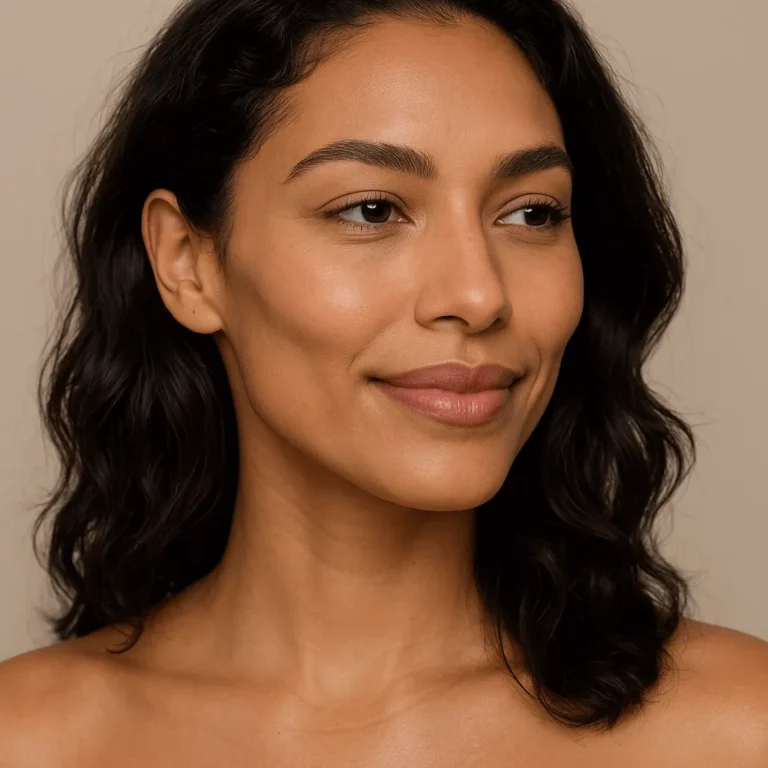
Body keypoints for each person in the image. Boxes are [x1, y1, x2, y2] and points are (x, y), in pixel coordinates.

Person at [1, 0, 766, 764]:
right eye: (372, 209)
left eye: (532, 214)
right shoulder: (30, 740)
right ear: (188, 263)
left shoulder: (734, 729)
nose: (479, 295)